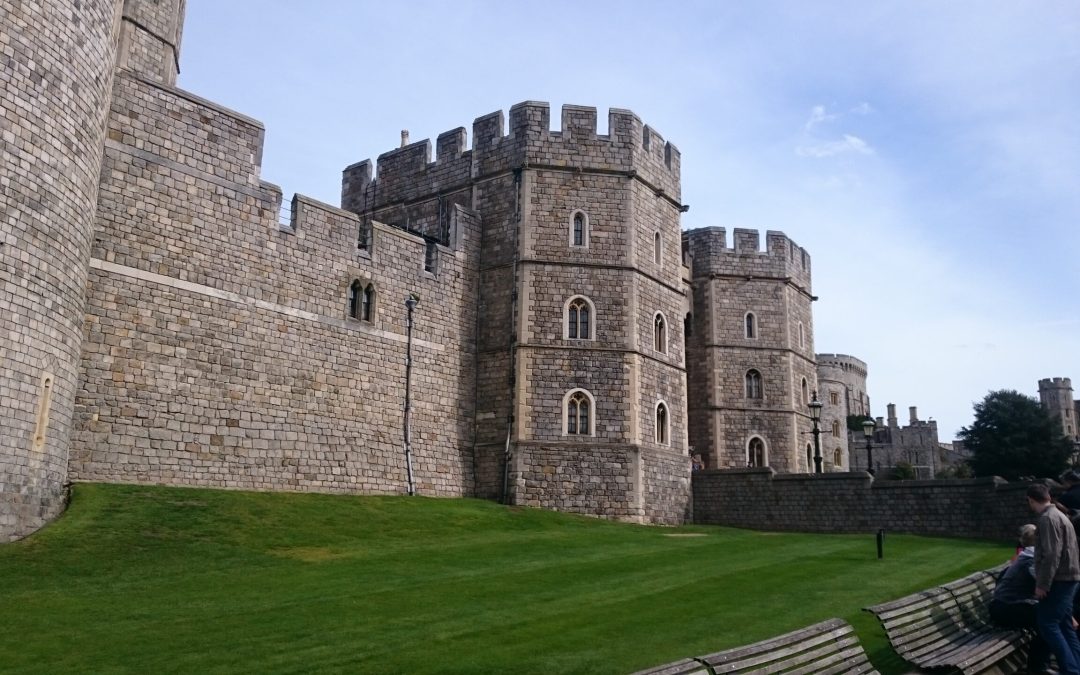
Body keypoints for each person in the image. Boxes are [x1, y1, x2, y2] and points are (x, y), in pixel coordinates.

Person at [1028, 483, 1080, 675]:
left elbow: (1051, 554)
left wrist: (1042, 584)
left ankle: (1071, 671)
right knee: (1065, 625)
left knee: (1048, 624)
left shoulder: (1047, 519)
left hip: (1060, 579)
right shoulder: (1061, 516)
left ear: (1031, 500)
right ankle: (1075, 667)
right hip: (1070, 576)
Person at [989, 524, 1050, 673]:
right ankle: (1037, 668)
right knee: (1048, 620)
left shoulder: (1027, 557)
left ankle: (1041, 665)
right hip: (1005, 609)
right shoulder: (1030, 561)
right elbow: (1048, 587)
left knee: (1049, 618)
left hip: (1005, 606)